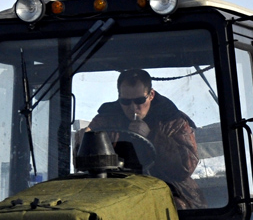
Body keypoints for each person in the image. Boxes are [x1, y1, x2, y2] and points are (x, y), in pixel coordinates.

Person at [87, 69, 205, 210]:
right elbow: (84, 158)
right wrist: (85, 140)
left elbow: (186, 167)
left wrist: (152, 136)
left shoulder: (172, 120)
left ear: (151, 95)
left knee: (177, 209)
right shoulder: (106, 119)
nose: (133, 108)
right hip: (115, 188)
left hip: (169, 187)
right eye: (126, 102)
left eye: (139, 100)